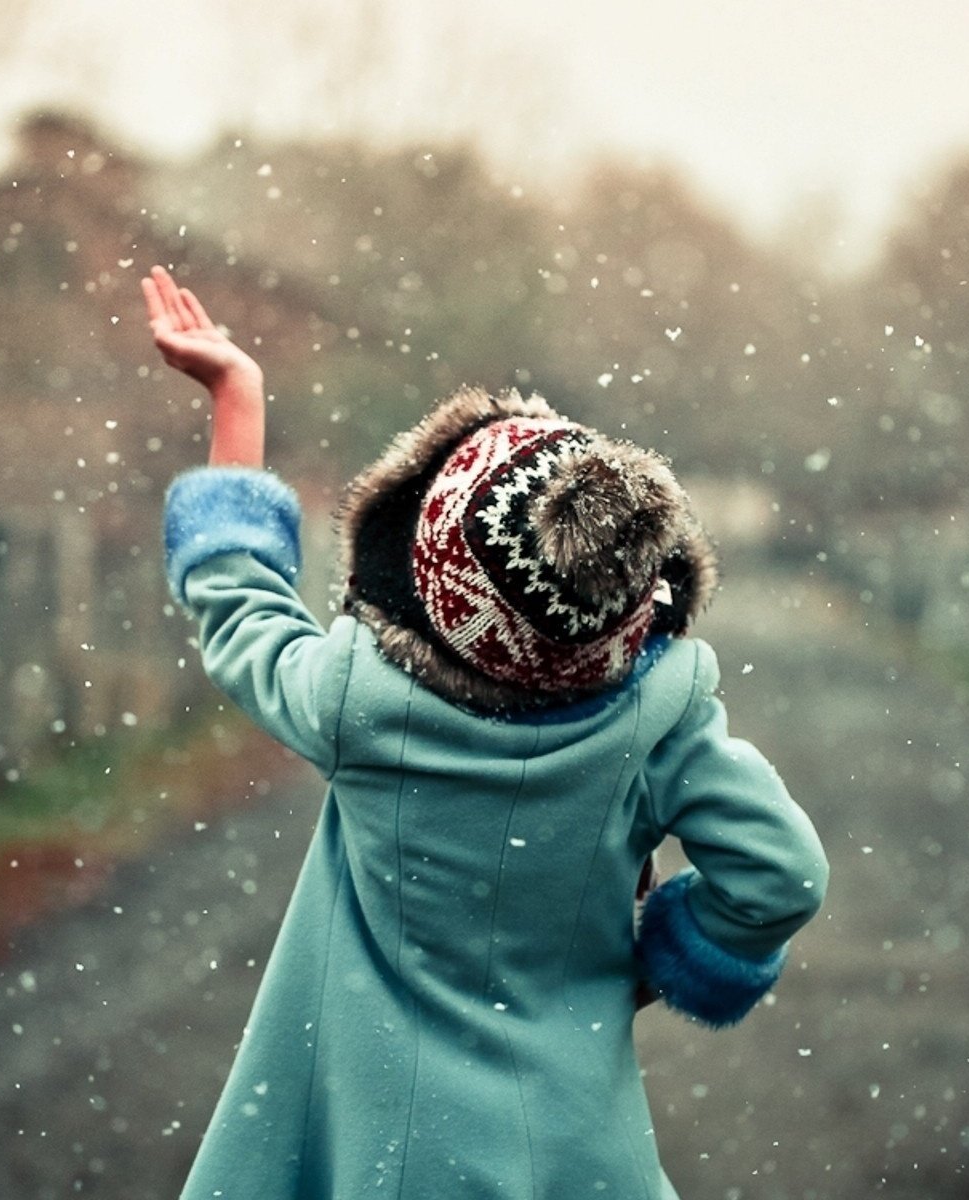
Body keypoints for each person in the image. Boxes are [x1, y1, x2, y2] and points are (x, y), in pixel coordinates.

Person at [140, 266, 829, 1198]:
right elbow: (783, 873)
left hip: (385, 1160)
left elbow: (240, 607)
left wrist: (237, 397)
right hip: (583, 1160)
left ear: (424, 577)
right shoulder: (658, 728)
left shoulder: (358, 704)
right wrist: (670, 951)